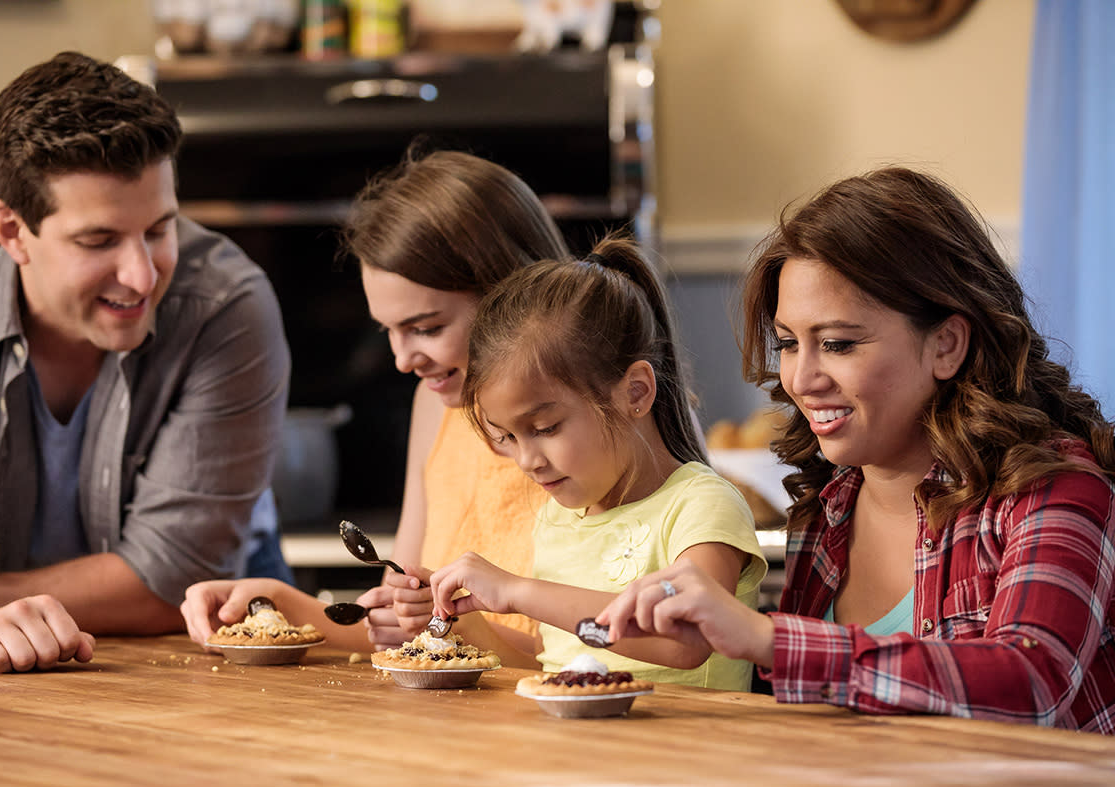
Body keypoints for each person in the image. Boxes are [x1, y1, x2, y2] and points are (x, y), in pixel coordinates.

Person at [596, 167, 1115, 730]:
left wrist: (769, 638)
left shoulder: (1055, 489)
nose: (801, 378)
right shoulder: (830, 505)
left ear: (946, 344)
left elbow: (1030, 681)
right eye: (790, 344)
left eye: (839, 344)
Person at [0, 51, 290, 669]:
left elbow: (169, 583)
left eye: (160, 229)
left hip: (211, 650)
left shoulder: (227, 306)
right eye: (99, 240)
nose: (142, 275)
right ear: (12, 232)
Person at [180, 149, 572, 652]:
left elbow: (615, 648)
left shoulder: (590, 427)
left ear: (511, 290)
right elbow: (396, 622)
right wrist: (280, 602)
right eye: (389, 331)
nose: (403, 360)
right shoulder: (435, 408)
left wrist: (454, 628)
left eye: (426, 328)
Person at [415, 235, 766, 688]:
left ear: (635, 392)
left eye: (544, 429)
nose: (527, 460)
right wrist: (467, 622)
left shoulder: (701, 505)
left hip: (690, 754)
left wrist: (518, 592)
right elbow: (559, 657)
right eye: (507, 436)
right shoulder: (558, 519)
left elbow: (685, 642)